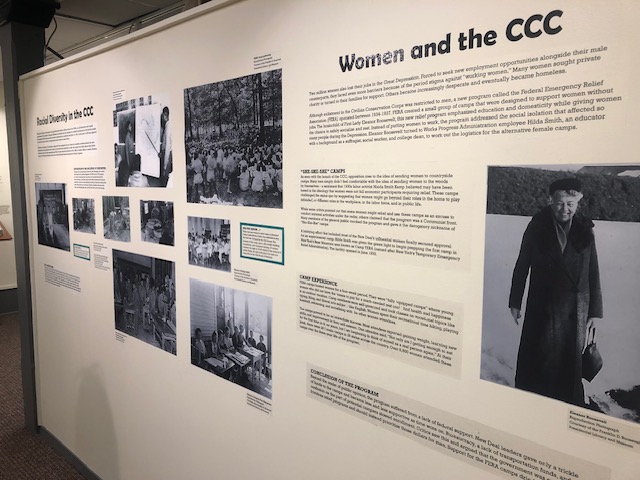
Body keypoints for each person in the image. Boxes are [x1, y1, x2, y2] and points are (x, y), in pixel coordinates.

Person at [509, 178, 603, 406]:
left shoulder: (585, 229)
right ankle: (534, 402)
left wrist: (595, 311)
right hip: (543, 305)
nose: (565, 209)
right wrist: (515, 301)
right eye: (560, 203)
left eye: (571, 204)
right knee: (540, 358)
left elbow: (593, 270)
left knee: (569, 362)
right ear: (550, 200)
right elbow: (522, 264)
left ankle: (569, 403)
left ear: (578, 203)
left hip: (575, 308)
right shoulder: (537, 226)